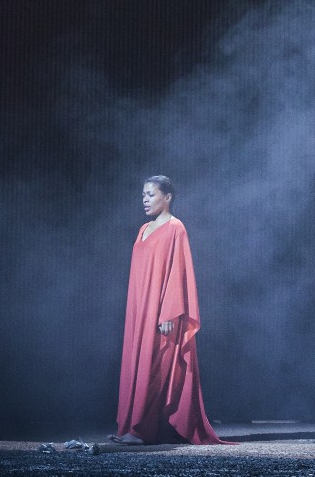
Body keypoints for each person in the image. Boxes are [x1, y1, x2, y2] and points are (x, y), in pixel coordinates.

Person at [111, 175, 227, 446]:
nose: (145, 199)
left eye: (151, 194)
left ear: (167, 197)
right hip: (140, 307)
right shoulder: (143, 229)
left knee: (157, 366)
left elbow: (178, 271)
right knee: (137, 363)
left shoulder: (176, 228)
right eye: (143, 195)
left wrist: (169, 313)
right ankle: (130, 425)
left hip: (162, 309)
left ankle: (142, 431)